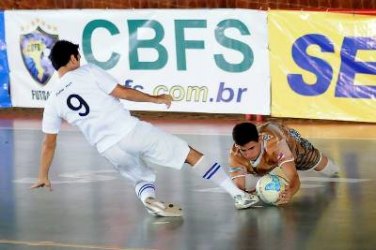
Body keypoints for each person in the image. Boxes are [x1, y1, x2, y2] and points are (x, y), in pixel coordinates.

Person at [30, 40, 260, 217]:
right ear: (72, 58)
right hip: (131, 131)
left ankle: (150, 200)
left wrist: (43, 175)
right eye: (77, 57)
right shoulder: (87, 71)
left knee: (141, 179)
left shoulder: (52, 101)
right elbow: (122, 92)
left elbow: (48, 143)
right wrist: (155, 99)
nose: (79, 60)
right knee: (189, 154)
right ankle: (238, 195)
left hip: (107, 149)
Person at [228, 121, 339, 205]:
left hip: (293, 147)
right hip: (267, 159)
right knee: (247, 185)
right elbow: (239, 189)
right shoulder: (235, 154)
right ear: (238, 147)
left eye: (251, 148)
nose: (248, 154)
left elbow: (294, 177)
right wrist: (241, 196)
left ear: (260, 140)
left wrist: (290, 192)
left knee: (330, 169)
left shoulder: (276, 145)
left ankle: (333, 167)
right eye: (243, 150)